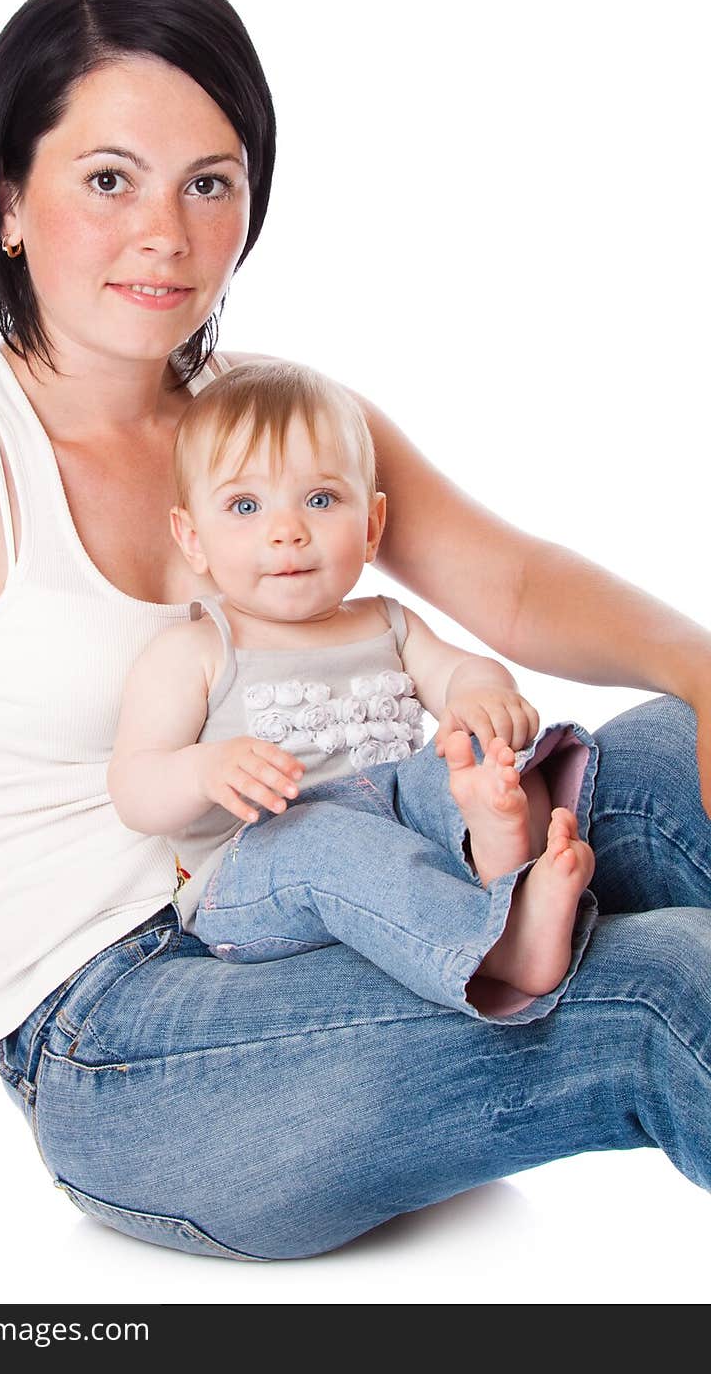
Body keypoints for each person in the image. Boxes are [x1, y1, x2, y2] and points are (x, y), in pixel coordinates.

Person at [0, 0, 709, 1261]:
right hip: (130, 1030)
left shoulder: (272, 417)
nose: (166, 236)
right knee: (669, 984)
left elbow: (508, 583)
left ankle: (504, 941)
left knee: (673, 761)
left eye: (211, 182)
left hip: (382, 873)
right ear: (10, 202)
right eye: (109, 178)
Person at [109, 358, 599, 1020]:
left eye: (319, 500)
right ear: (193, 539)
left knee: (475, 758)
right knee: (329, 843)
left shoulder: (388, 624)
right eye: (245, 506)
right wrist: (204, 769)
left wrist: (481, 697)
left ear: (370, 527)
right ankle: (495, 953)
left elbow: (460, 673)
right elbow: (134, 788)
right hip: (257, 867)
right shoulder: (196, 651)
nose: (287, 530)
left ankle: (501, 859)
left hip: (394, 814)